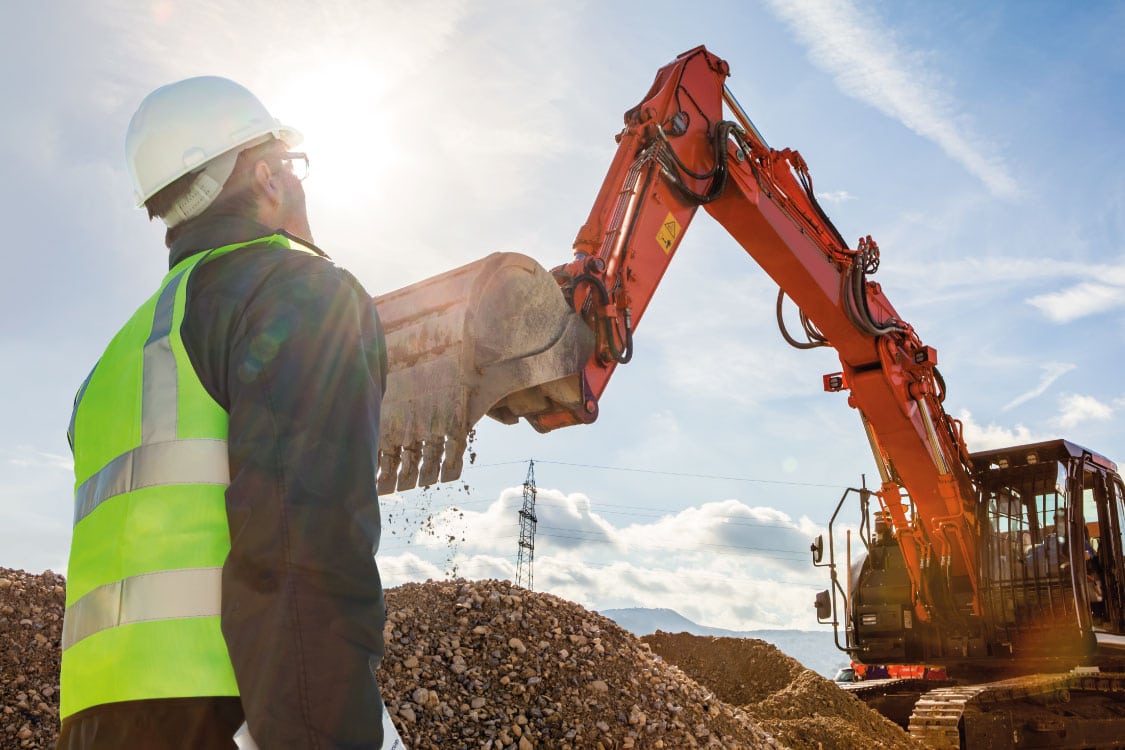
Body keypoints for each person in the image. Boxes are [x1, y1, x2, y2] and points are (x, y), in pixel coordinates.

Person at [58, 76, 388, 748]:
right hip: (227, 711)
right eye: (291, 167)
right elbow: (301, 546)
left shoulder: (115, 362)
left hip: (93, 720)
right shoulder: (292, 292)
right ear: (267, 175)